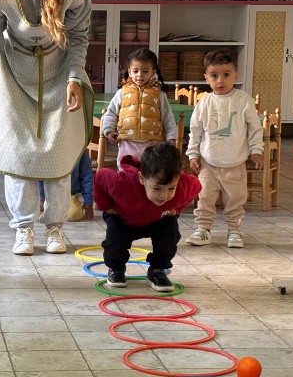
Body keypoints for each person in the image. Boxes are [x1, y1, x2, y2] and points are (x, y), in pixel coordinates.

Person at [0, 0, 93, 256]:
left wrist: (75, 77)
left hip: (60, 75)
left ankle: (55, 227)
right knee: (19, 155)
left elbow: (78, 38)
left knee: (58, 154)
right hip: (13, 75)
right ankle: (23, 227)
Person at [94, 143, 201, 292]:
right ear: (141, 178)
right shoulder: (123, 183)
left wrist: (176, 209)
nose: (164, 195)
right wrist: (104, 205)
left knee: (170, 232)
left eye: (171, 188)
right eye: (157, 188)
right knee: (114, 242)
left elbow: (197, 186)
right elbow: (100, 176)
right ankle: (116, 269)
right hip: (122, 218)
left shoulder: (183, 186)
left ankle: (157, 270)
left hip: (156, 219)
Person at [185, 48, 263, 249]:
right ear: (206, 77)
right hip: (208, 163)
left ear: (235, 75)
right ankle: (203, 229)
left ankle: (234, 231)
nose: (220, 80)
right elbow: (195, 130)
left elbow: (255, 128)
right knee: (204, 198)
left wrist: (256, 150)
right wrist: (193, 153)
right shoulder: (204, 103)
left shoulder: (243, 100)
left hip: (235, 163)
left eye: (226, 75)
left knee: (236, 200)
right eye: (214, 76)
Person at [101, 48, 178, 166]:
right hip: (127, 142)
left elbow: (168, 117)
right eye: (135, 71)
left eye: (145, 71)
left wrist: (171, 137)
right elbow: (111, 113)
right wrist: (109, 131)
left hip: (151, 144)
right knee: (126, 171)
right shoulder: (121, 93)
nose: (139, 75)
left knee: (150, 172)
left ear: (153, 72)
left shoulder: (159, 94)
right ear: (129, 71)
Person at [39, 149, 94, 221]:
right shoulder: (47, 148)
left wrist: (88, 202)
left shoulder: (81, 150)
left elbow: (87, 177)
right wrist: (41, 198)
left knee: (74, 215)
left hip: (69, 195)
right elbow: (40, 176)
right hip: (50, 193)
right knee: (45, 214)